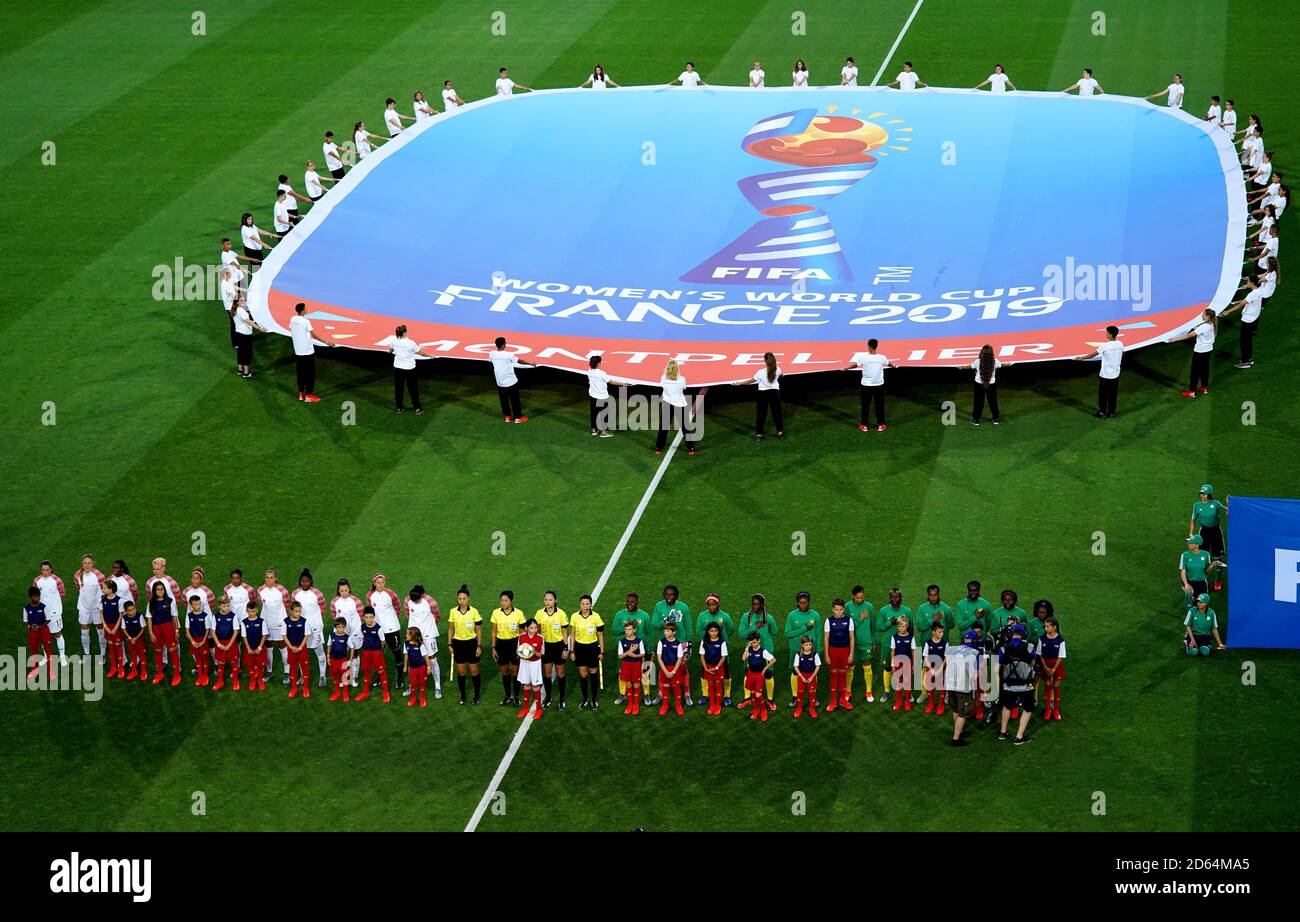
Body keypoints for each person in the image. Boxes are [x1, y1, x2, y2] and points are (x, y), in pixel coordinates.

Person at [650, 585, 692, 704]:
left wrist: (689, 645)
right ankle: (660, 693)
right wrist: (667, 619)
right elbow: (654, 625)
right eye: (666, 594)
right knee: (663, 670)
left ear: (677, 595)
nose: (668, 597)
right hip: (664, 644)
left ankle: (687, 694)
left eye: (671, 594)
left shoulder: (683, 607)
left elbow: (688, 626)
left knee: (682, 669)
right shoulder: (659, 606)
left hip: (681, 643)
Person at [381, 325, 433, 413]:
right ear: (404, 332)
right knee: (413, 389)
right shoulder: (410, 343)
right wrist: (430, 355)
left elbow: (390, 350)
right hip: (409, 369)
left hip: (398, 368)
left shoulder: (394, 341)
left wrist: (394, 351)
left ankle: (399, 407)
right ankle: (417, 408)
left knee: (398, 389)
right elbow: (420, 352)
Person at [998, 624, 1036, 744]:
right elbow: (1033, 663)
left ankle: (1003, 732)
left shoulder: (1004, 648)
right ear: (1023, 634)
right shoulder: (1029, 647)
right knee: (1028, 708)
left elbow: (997, 667)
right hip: (1025, 686)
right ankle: (1019, 737)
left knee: (1007, 706)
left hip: (1008, 685)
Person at [289, 302, 335, 403]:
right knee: (310, 373)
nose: (307, 309)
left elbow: (293, 330)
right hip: (307, 351)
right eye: (306, 308)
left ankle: (301, 394)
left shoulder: (293, 319)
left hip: (298, 351)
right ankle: (309, 396)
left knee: (300, 373)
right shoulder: (306, 321)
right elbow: (313, 335)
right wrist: (327, 342)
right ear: (302, 311)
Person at [733, 352, 785, 440]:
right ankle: (780, 433)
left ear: (765, 360)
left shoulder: (761, 372)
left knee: (761, 414)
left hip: (763, 394)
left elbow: (751, 380)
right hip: (774, 393)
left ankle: (759, 435)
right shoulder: (778, 369)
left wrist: (739, 383)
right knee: (777, 413)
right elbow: (781, 375)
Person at [693, 594, 734, 707]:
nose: (711, 607)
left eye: (714, 604)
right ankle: (705, 694)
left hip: (720, 649)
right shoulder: (702, 616)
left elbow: (731, 629)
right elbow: (698, 631)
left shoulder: (725, 616)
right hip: (707, 648)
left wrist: (722, 638)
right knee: (704, 673)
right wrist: (710, 639)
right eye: (709, 605)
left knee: (725, 673)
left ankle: (726, 695)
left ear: (718, 603)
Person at [612, 593, 652, 706]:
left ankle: (646, 695)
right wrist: (625, 625)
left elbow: (649, 633)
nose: (630, 604)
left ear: (637, 602)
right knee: (622, 672)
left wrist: (649, 650)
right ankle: (622, 694)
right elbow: (614, 630)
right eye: (628, 601)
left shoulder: (644, 616)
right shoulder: (620, 614)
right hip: (624, 650)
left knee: (644, 673)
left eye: (632, 601)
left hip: (640, 651)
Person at [1074, 325, 1123, 417]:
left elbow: (1092, 355)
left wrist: (1081, 358)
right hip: (1115, 374)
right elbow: (1122, 353)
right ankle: (1112, 413)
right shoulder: (1120, 344)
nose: (1106, 334)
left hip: (1106, 375)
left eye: (1107, 332)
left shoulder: (1105, 346)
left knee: (1103, 395)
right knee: (1113, 395)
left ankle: (1102, 412)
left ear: (1110, 334)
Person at [737, 594, 776, 707]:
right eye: (754, 603)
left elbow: (774, 632)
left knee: (768, 674)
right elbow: (741, 634)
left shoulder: (769, 618)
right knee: (748, 673)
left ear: (762, 605)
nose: (755, 606)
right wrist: (755, 627)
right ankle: (747, 697)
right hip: (751, 651)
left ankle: (770, 700)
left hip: (766, 651)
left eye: (758, 604)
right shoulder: (746, 617)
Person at [404, 585, 442, 700]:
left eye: (417, 600)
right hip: (413, 634)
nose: (414, 602)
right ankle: (412, 686)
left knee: (432, 659)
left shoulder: (430, 602)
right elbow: (407, 613)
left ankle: (437, 686)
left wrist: (429, 626)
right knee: (412, 659)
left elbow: (437, 615)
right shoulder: (407, 600)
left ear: (422, 595)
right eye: (413, 600)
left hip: (428, 634)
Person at [367, 573, 404, 689]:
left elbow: (398, 608)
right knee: (378, 655)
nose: (381, 585)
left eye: (382, 582)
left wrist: (392, 621)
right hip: (378, 630)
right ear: (374, 583)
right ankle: (379, 678)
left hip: (392, 629)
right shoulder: (370, 595)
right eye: (378, 582)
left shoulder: (390, 594)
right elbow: (370, 611)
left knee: (397, 654)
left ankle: (400, 679)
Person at [846, 339, 893, 431]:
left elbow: (855, 365)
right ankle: (881, 424)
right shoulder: (882, 357)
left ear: (868, 346)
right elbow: (889, 364)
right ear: (876, 346)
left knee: (865, 405)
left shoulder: (864, 358)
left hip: (866, 386)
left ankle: (864, 425)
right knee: (879, 405)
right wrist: (894, 366)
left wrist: (846, 368)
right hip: (878, 385)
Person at [784, 592, 820, 709]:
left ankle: (813, 696)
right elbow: (788, 633)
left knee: (813, 673)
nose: (803, 605)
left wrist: (819, 649)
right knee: (795, 672)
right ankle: (795, 696)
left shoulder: (815, 615)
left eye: (805, 602)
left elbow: (819, 633)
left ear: (808, 602)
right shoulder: (791, 615)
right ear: (797, 602)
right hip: (796, 650)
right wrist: (804, 628)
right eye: (801, 603)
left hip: (812, 651)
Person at [873, 588, 910, 703]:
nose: (894, 600)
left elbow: (911, 629)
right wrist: (890, 623)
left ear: (901, 598)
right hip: (887, 645)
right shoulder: (884, 611)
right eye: (892, 597)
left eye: (897, 597)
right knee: (888, 667)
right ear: (889, 598)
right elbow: (879, 626)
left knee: (904, 669)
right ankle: (887, 692)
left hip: (903, 646)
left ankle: (907, 692)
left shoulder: (907, 611)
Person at [448, 585, 483, 705]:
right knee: (461, 672)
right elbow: (451, 629)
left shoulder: (474, 612)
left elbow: (478, 630)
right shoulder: (453, 611)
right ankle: (463, 695)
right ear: (457, 599)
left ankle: (477, 695)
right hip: (458, 644)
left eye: (464, 599)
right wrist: (449, 644)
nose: (461, 601)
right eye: (459, 599)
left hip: (471, 644)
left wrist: (479, 646)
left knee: (474, 671)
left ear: (468, 599)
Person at [944, 630, 980, 746]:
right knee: (962, 714)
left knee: (955, 709)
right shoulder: (974, 652)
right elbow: (975, 675)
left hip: (949, 685)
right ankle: (956, 739)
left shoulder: (952, 649)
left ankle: (960, 731)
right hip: (962, 687)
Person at [292, 569, 327, 688]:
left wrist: (315, 622)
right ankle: (303, 675)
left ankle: (323, 676)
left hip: (315, 628)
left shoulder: (318, 594)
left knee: (319, 652)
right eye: (303, 581)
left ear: (311, 582)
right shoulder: (295, 594)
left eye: (307, 581)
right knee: (302, 654)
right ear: (300, 582)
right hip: (300, 629)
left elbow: (323, 609)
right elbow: (293, 610)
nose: (305, 583)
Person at [533, 591, 568, 709]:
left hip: (558, 646)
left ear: (555, 601)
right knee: (547, 673)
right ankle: (548, 697)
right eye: (546, 600)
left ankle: (562, 698)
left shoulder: (561, 614)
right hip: (545, 646)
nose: (548, 602)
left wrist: (565, 648)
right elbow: (536, 631)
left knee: (560, 673)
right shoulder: (539, 613)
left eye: (550, 599)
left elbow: (564, 632)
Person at [1189, 484, 1228, 588]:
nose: (1202, 495)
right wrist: (1191, 533)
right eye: (1201, 493)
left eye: (1204, 493)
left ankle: (1217, 581)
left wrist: (1229, 504)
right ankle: (1201, 579)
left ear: (1209, 494)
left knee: (1217, 558)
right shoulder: (1197, 505)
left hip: (1216, 532)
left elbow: (1227, 513)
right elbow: (1193, 520)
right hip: (1204, 532)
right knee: (1202, 556)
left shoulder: (1215, 504)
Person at [490, 590, 525, 706]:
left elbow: (522, 633)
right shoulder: (496, 613)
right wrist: (493, 647)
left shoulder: (519, 614)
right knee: (504, 671)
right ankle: (507, 696)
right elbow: (494, 631)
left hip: (514, 644)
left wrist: (520, 648)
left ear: (511, 601)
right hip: (501, 645)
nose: (503, 603)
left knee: (515, 671)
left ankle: (516, 697)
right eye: (501, 601)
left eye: (506, 601)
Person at [655, 359, 697, 455]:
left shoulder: (663, 378)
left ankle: (658, 448)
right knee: (685, 427)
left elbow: (664, 386)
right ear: (677, 369)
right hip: (679, 405)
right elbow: (683, 388)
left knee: (663, 427)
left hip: (667, 404)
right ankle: (691, 448)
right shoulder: (682, 379)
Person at [570, 594, 604, 709]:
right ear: (580, 604)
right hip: (580, 648)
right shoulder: (574, 616)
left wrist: (602, 652)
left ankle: (594, 699)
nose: (585, 606)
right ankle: (585, 699)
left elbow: (600, 635)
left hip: (593, 648)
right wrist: (572, 651)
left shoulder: (596, 616)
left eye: (587, 604)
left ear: (591, 605)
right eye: (583, 604)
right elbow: (573, 634)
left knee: (593, 673)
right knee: (583, 674)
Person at [257, 569, 291, 684]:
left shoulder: (282, 591)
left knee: (283, 647)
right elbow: (263, 605)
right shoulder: (260, 590)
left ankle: (287, 671)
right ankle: (269, 670)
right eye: (267, 577)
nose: (269, 580)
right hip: (266, 623)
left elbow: (287, 605)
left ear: (275, 578)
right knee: (268, 647)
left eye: (271, 578)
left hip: (279, 623)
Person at [146, 580, 182, 687]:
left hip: (168, 627)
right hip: (156, 628)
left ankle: (176, 675)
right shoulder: (151, 602)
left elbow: (174, 617)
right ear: (154, 591)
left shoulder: (170, 601)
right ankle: (160, 673)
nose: (160, 591)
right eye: (158, 589)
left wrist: (176, 630)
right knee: (158, 650)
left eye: (162, 589)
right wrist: (151, 633)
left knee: (172, 650)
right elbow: (149, 618)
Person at [489, 337, 534, 422]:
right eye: (505, 343)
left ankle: (507, 416)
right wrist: (530, 363)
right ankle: (518, 417)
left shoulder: (491, 353)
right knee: (515, 400)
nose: (506, 344)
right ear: (503, 345)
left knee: (503, 401)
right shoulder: (508, 354)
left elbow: (491, 361)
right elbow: (518, 361)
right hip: (511, 382)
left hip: (500, 382)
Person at [822, 598, 855, 712]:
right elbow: (826, 638)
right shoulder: (828, 621)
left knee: (842, 674)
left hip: (845, 651)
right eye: (836, 609)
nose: (839, 612)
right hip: (833, 651)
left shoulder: (849, 620)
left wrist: (851, 653)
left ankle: (842, 700)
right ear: (833, 610)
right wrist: (826, 655)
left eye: (841, 609)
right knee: (834, 674)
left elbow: (851, 638)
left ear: (843, 609)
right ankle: (833, 701)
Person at [1223, 276, 1264, 369]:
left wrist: (1228, 312)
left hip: (1248, 320)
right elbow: (1248, 301)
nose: (1247, 283)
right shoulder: (1259, 290)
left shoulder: (1252, 294)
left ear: (1253, 283)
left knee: (1244, 341)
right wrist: (1241, 300)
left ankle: (1245, 362)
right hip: (1253, 319)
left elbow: (1242, 304)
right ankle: (1249, 358)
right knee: (1248, 341)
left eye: (1248, 281)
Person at [33, 561, 67, 666]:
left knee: (57, 633)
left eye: (47, 570)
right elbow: (35, 595)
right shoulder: (37, 580)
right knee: (44, 636)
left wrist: (53, 605)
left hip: (55, 612)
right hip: (42, 613)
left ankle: (62, 656)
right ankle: (46, 656)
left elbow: (62, 593)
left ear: (51, 570)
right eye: (43, 569)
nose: (45, 572)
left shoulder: (57, 580)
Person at [330, 578, 363, 688]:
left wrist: (358, 633)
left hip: (355, 632)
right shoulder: (335, 602)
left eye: (346, 590)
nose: (344, 593)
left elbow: (361, 615)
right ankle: (344, 678)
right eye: (342, 591)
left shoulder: (356, 601)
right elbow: (334, 616)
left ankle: (354, 677)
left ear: (349, 589)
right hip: (341, 633)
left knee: (355, 655)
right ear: (338, 591)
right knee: (343, 656)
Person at [73, 554, 106, 660]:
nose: (87, 565)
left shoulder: (99, 576)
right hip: (83, 608)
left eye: (89, 563)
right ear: (82, 563)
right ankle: (86, 654)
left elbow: (104, 591)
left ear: (93, 563)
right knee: (84, 631)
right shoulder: (77, 574)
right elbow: (79, 588)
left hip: (97, 608)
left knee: (100, 631)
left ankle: (103, 653)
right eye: (85, 563)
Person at [354, 607, 391, 702]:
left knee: (381, 671)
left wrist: (378, 650)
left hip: (376, 653)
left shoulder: (379, 629)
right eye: (366, 617)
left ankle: (385, 692)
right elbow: (362, 638)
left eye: (370, 617)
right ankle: (365, 692)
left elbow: (383, 642)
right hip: (366, 652)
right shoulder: (362, 627)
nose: (368, 619)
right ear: (363, 618)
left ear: (374, 617)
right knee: (366, 671)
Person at [845, 586, 874, 702]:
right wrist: (860, 618)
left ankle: (868, 691)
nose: (860, 600)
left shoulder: (869, 607)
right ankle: (848, 691)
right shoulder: (847, 607)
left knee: (867, 665)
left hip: (866, 642)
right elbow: (848, 626)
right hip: (852, 643)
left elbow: (873, 624)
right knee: (850, 666)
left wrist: (873, 640)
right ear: (853, 596)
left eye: (862, 597)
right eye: (857, 598)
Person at [586, 354, 625, 437]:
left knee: (594, 413)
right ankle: (604, 432)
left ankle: (594, 429)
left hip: (593, 396)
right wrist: (622, 384)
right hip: (602, 397)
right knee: (604, 414)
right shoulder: (601, 373)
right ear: (598, 363)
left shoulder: (589, 371)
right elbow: (610, 382)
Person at [740, 632, 776, 721]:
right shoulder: (750, 649)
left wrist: (765, 669)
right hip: (750, 674)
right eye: (751, 643)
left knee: (758, 694)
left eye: (754, 642)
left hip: (759, 675)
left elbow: (773, 660)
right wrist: (747, 647)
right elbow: (743, 658)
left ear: (759, 641)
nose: (753, 644)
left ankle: (763, 710)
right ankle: (756, 710)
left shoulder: (763, 651)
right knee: (752, 693)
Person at [1035, 616, 1066, 720]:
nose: (1046, 628)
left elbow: (1060, 656)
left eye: (1048, 626)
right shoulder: (1042, 639)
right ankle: (1048, 709)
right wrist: (1046, 667)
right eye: (1045, 626)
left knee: (1056, 687)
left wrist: (1053, 669)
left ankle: (1056, 710)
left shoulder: (1060, 640)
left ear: (1054, 627)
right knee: (1048, 686)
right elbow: (1040, 654)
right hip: (1046, 665)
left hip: (1056, 666)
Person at [655, 622, 687, 716]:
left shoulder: (678, 644)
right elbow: (659, 658)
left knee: (676, 686)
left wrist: (673, 671)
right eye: (665, 630)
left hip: (675, 669)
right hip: (664, 667)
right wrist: (665, 671)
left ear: (674, 632)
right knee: (665, 686)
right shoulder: (661, 642)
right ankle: (665, 706)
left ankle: (678, 706)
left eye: (668, 631)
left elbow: (680, 658)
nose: (665, 632)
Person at [514, 619, 545, 719]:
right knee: (526, 685)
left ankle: (538, 709)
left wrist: (533, 651)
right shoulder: (521, 637)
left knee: (535, 686)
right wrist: (522, 653)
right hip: (524, 663)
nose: (534, 629)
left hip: (535, 664)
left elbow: (541, 654)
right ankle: (525, 708)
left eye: (536, 627)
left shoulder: (540, 638)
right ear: (527, 628)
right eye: (531, 628)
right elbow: (518, 650)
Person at [23, 586, 55, 679]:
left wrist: (39, 626)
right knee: (33, 650)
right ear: (31, 597)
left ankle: (51, 672)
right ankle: (34, 670)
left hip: (44, 630)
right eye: (35, 596)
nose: (37, 598)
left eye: (38, 596)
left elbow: (48, 619)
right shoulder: (26, 608)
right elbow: (25, 621)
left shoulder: (43, 607)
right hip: (33, 632)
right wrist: (30, 626)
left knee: (48, 650)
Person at [968, 344, 1005, 425]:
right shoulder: (995, 361)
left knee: (978, 402)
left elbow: (969, 366)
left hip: (978, 384)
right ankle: (996, 419)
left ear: (982, 352)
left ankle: (975, 420)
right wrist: (1011, 363)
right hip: (991, 385)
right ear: (991, 352)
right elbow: (1004, 364)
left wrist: (959, 367)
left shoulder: (977, 361)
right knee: (993, 401)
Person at [284, 601, 313, 698]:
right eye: (296, 611)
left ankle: (305, 687)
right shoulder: (285, 621)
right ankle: (294, 688)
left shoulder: (304, 621)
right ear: (290, 611)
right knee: (292, 667)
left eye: (300, 611)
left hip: (302, 648)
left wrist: (300, 647)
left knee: (304, 667)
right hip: (291, 648)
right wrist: (291, 647)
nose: (298, 613)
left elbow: (306, 635)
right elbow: (284, 636)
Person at [230, 298, 264, 379]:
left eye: (244, 300)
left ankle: (240, 369)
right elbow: (248, 322)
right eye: (241, 300)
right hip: (245, 334)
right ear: (237, 302)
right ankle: (246, 372)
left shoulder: (234, 310)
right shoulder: (241, 311)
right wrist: (259, 328)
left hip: (238, 333)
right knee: (247, 353)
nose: (244, 301)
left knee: (241, 351)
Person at [698, 622, 728, 716]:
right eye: (711, 631)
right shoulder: (704, 641)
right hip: (708, 667)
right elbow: (702, 656)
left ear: (718, 631)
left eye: (715, 631)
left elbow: (723, 657)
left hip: (718, 667)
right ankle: (712, 705)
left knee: (718, 685)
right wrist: (706, 668)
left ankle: (718, 705)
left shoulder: (722, 642)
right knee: (710, 686)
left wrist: (717, 667)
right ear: (708, 631)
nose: (714, 633)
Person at [184, 594, 214, 687]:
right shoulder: (189, 616)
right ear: (191, 605)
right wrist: (192, 641)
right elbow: (187, 630)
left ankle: (205, 676)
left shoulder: (205, 616)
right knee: (197, 658)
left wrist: (203, 641)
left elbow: (207, 630)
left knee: (205, 658)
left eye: (199, 604)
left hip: (202, 640)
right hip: (194, 640)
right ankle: (200, 676)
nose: (198, 606)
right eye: (196, 604)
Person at [617, 620, 645, 715]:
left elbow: (642, 653)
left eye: (629, 629)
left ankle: (636, 704)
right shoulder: (622, 641)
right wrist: (629, 651)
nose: (627, 632)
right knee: (628, 683)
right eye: (625, 630)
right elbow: (620, 656)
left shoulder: (639, 641)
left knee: (636, 683)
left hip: (636, 664)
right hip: (626, 664)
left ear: (634, 630)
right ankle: (630, 704)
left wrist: (634, 656)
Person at [889, 615, 915, 711]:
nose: (901, 628)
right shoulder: (894, 637)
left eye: (903, 626)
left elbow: (913, 652)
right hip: (897, 664)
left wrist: (914, 665)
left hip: (907, 663)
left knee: (907, 683)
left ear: (907, 626)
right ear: (897, 627)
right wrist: (892, 665)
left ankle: (907, 702)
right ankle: (898, 702)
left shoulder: (911, 637)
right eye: (899, 626)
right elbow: (893, 651)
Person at [100, 578, 125, 679]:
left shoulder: (119, 600)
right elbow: (101, 613)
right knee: (111, 647)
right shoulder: (103, 599)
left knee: (118, 647)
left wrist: (115, 628)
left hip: (116, 627)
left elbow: (120, 615)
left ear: (111, 589)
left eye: (104, 588)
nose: (103, 589)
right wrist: (105, 626)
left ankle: (121, 668)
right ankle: (113, 668)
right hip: (107, 626)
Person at [327, 616, 356, 701]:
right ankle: (337, 692)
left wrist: (350, 660)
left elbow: (352, 648)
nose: (341, 629)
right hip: (333, 660)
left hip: (343, 660)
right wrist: (328, 656)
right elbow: (329, 645)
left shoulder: (347, 637)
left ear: (345, 627)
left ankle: (346, 694)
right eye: (339, 627)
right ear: (335, 627)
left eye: (343, 627)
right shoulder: (331, 636)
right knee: (335, 676)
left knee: (344, 677)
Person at [405, 626, 435, 709]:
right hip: (412, 668)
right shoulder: (406, 644)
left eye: (408, 634)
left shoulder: (420, 646)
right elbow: (406, 654)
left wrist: (429, 667)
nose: (406, 635)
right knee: (412, 683)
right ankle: (413, 697)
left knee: (422, 682)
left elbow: (426, 656)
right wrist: (405, 665)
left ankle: (422, 698)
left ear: (413, 636)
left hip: (421, 667)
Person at [792, 635, 820, 719]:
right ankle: (799, 709)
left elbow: (818, 666)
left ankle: (812, 709)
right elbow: (795, 666)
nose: (808, 647)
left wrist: (812, 677)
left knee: (812, 693)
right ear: (802, 645)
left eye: (810, 644)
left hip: (811, 676)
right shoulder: (798, 655)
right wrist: (801, 676)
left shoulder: (814, 654)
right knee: (800, 693)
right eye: (806, 645)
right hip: (802, 676)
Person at [241, 600, 267, 691]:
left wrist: (259, 648)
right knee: (250, 665)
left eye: (253, 611)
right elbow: (244, 636)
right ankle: (252, 680)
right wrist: (248, 648)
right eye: (249, 611)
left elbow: (264, 635)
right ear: (246, 610)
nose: (251, 613)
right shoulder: (244, 622)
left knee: (260, 665)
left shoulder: (261, 621)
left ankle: (260, 680)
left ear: (257, 610)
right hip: (249, 649)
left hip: (259, 648)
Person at [921, 623, 947, 715]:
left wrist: (940, 670)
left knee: (941, 687)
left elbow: (946, 658)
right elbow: (925, 657)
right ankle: (931, 703)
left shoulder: (945, 643)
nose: (942, 634)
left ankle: (940, 705)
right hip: (930, 670)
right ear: (933, 632)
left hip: (941, 669)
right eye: (939, 632)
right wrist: (931, 669)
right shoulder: (928, 643)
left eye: (942, 632)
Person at [122, 601, 147, 681]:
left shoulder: (139, 616)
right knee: (133, 655)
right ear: (126, 611)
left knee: (142, 655)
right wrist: (130, 638)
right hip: (130, 640)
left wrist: (136, 638)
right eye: (130, 610)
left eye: (133, 609)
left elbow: (143, 628)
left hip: (139, 639)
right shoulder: (124, 618)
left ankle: (143, 672)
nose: (132, 612)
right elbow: (124, 629)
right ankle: (134, 671)